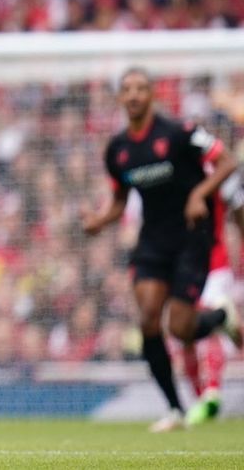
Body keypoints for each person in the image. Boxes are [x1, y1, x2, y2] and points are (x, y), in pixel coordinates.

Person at [83, 67, 242, 431]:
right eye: (127, 89)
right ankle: (174, 409)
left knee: (181, 328)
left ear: (153, 94)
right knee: (148, 319)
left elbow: (228, 161)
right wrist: (100, 221)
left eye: (141, 88)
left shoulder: (180, 133)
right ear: (121, 99)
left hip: (191, 239)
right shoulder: (118, 150)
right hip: (153, 241)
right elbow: (120, 201)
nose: (135, 94)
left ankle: (221, 318)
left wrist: (200, 194)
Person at [181, 165, 244, 425]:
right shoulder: (170, 173)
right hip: (182, 267)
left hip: (214, 264)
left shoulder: (217, 174)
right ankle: (200, 401)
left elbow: (239, 212)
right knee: (183, 332)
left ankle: (211, 395)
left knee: (206, 323)